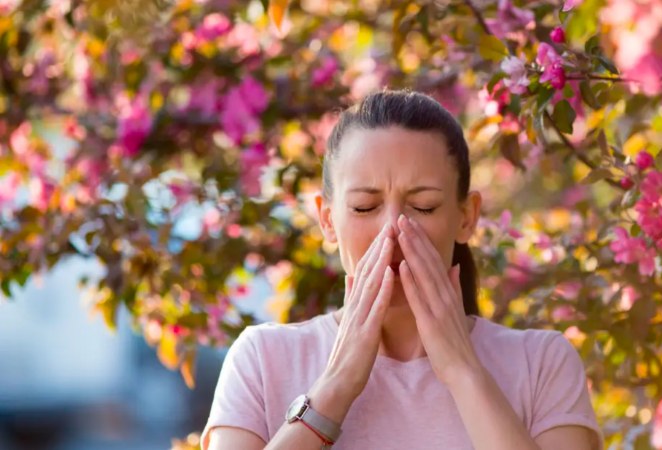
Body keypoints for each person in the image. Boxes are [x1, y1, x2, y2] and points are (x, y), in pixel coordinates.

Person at [201, 90, 602, 450]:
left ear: (466, 217)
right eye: (364, 207)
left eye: (423, 207)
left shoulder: (541, 363)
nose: (393, 229)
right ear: (327, 219)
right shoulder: (263, 359)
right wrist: (335, 387)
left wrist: (463, 372)